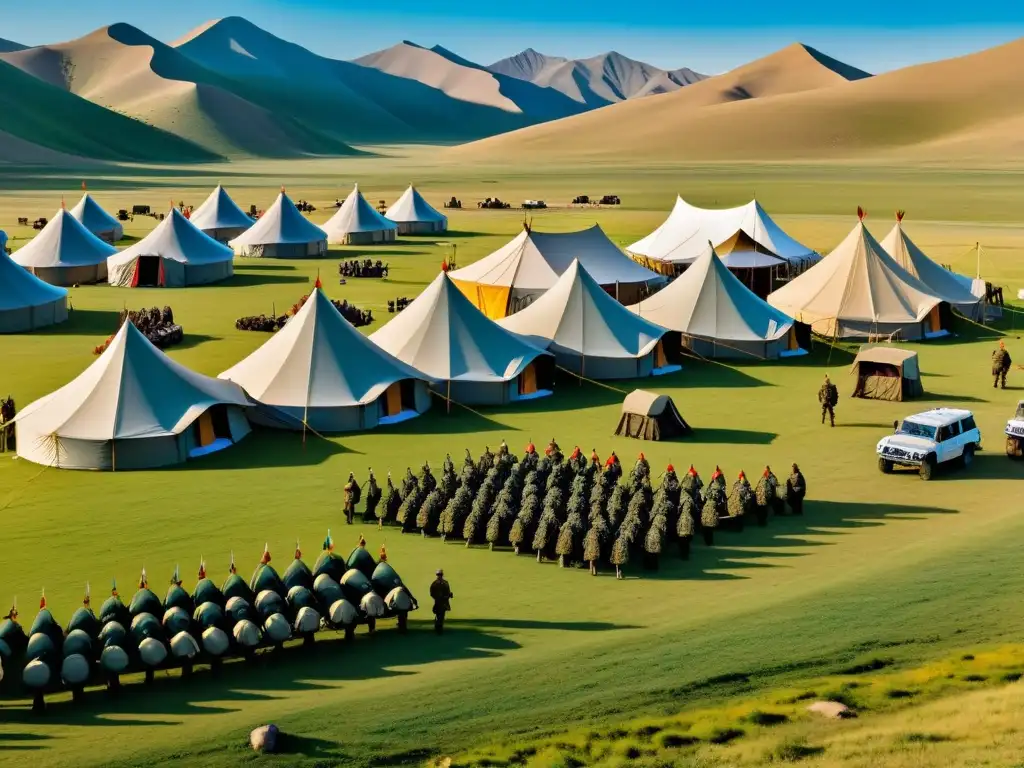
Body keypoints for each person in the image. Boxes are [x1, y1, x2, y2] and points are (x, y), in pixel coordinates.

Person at [429, 569, 453, 634]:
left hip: (444, 601)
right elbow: (431, 593)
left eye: (440, 574)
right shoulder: (434, 584)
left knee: (442, 615)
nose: (439, 576)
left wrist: (449, 595)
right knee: (438, 614)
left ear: (442, 575)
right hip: (438, 601)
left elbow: (448, 591)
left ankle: (439, 627)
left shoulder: (445, 583)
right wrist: (437, 598)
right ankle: (438, 627)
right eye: (438, 574)